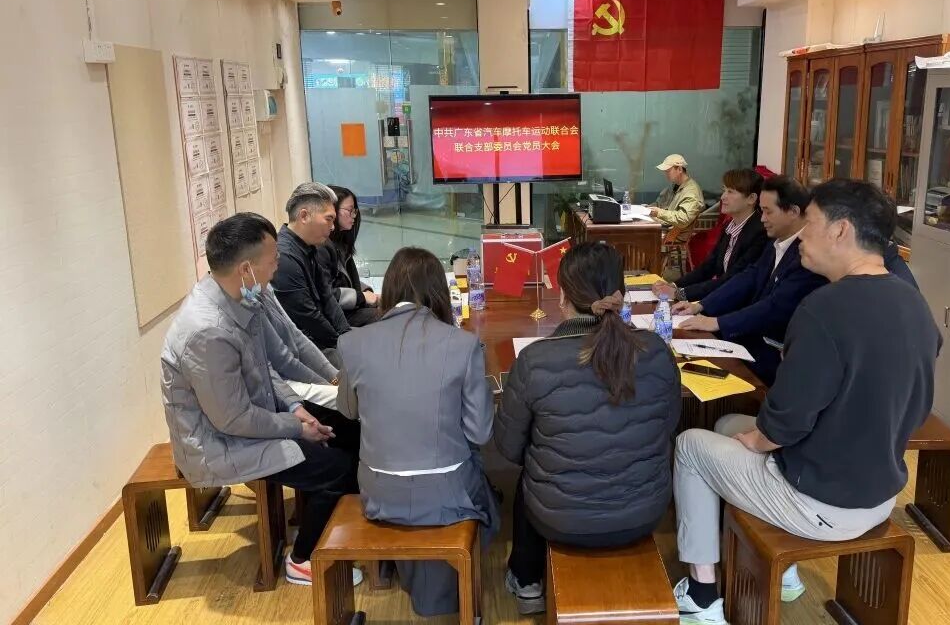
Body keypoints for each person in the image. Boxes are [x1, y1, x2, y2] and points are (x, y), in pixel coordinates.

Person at [670, 179, 939, 623]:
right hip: (880, 492)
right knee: (726, 424)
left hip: (819, 500)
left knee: (691, 445)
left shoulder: (823, 309)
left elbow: (784, 424)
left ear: (841, 230)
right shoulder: (913, 303)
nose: (801, 238)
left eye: (810, 224)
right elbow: (917, 405)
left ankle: (701, 596)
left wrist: (757, 441)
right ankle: (784, 572)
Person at [160, 213, 360, 587]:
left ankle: (340, 530)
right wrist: (297, 427)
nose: (278, 265)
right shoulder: (207, 331)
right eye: (273, 259)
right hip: (220, 444)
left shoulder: (238, 297)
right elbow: (232, 420)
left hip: (256, 418)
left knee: (350, 430)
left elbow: (264, 366)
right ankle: (304, 559)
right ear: (246, 268)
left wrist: (296, 408)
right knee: (339, 468)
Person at [495, 242, 682, 615]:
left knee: (531, 470)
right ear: (622, 293)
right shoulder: (657, 351)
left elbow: (508, 448)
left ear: (563, 296)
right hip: (645, 513)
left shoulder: (535, 359)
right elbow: (668, 427)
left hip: (560, 519)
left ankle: (527, 581)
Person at [336, 247, 498, 618]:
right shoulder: (464, 344)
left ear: (390, 289)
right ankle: (459, 596)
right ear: (439, 291)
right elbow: (480, 432)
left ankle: (411, 579)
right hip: (448, 494)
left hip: (379, 493)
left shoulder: (353, 343)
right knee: (483, 485)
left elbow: (348, 411)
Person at [674, 176, 826, 385]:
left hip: (776, 352)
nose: (762, 219)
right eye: (761, 211)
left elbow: (775, 306)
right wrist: (701, 305)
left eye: (768, 211)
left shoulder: (808, 253)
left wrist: (717, 322)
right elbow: (749, 277)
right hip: (752, 335)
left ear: (793, 211)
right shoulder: (776, 241)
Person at [654, 168, 768, 303]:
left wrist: (679, 293)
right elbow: (708, 267)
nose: (723, 197)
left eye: (730, 192)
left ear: (751, 198)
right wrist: (673, 285)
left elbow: (730, 280)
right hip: (723, 299)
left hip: (739, 305)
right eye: (724, 190)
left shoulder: (760, 233)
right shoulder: (729, 225)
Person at [271, 182, 352, 350]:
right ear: (304, 216)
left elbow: (327, 296)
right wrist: (341, 344)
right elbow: (308, 316)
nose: (333, 227)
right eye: (328, 219)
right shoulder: (284, 258)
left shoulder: (309, 246)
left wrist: (346, 335)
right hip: (303, 347)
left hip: (322, 339)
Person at [319, 184, 379, 328]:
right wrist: (362, 297)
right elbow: (326, 294)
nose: (354, 216)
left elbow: (346, 281)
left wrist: (365, 291)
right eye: (349, 210)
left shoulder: (341, 245)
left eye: (355, 211)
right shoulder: (322, 248)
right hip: (339, 317)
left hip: (349, 309)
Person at [649, 153, 706, 233]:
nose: (666, 174)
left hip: (672, 234)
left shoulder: (691, 191)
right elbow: (660, 203)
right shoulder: (674, 186)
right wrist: (646, 208)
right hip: (663, 227)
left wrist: (659, 212)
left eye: (668, 171)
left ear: (679, 169)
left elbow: (683, 219)